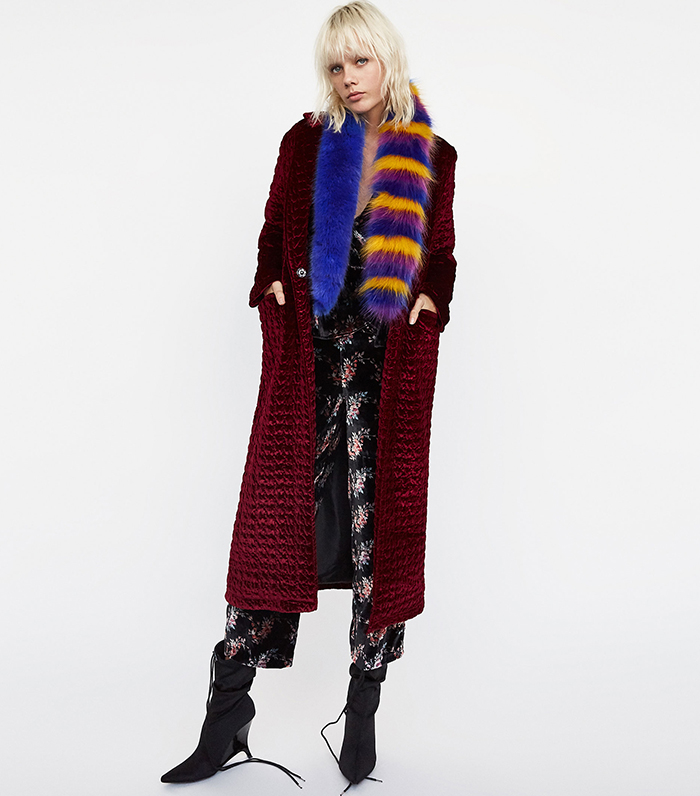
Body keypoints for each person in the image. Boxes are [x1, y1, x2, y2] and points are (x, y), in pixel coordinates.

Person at [161, 0, 457, 789]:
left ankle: (361, 711)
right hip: (309, 366)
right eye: (336, 64)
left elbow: (442, 253)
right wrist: (269, 282)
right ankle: (226, 719)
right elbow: (272, 233)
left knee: (376, 541)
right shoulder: (305, 144)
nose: (348, 76)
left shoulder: (432, 155)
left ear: (386, 59)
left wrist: (432, 298)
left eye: (360, 60)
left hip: (387, 375)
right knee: (271, 530)